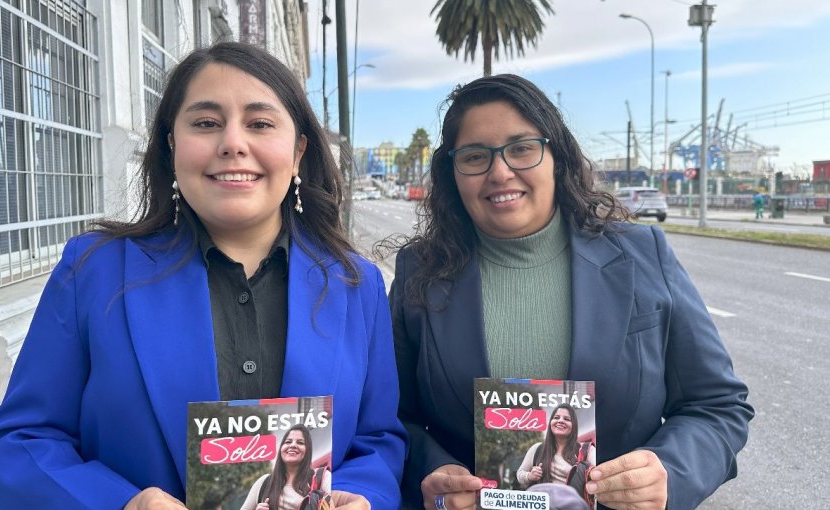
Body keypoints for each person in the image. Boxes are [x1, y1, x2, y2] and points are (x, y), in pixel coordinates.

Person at [0, 42, 406, 510]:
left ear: (299, 150)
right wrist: (121, 505)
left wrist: (364, 498)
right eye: (206, 123)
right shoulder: (93, 272)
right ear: (171, 144)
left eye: (260, 123)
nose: (233, 143)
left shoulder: (355, 285)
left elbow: (378, 440)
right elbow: (18, 445)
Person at [387, 74, 754, 510]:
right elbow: (391, 419)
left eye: (522, 148)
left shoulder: (641, 255)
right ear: (453, 172)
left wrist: (669, 472)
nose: (500, 171)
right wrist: (432, 473)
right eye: (474, 156)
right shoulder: (420, 272)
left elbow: (718, 405)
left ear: (555, 156)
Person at [240, 425, 332, 510]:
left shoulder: (322, 477)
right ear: (281, 448)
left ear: (307, 450)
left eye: (300, 442)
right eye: (288, 442)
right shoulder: (264, 483)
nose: (292, 445)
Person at [515, 405, 595, 490]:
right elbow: (520, 474)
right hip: (544, 502)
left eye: (567, 419)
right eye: (556, 417)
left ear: (574, 425)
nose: (560, 421)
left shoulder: (585, 450)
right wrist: (530, 476)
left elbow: (600, 471)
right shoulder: (537, 449)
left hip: (571, 502)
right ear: (550, 423)